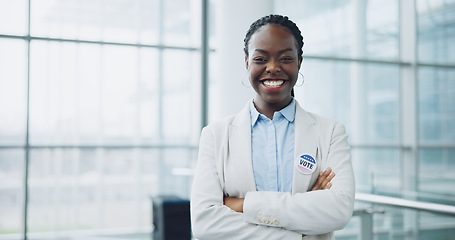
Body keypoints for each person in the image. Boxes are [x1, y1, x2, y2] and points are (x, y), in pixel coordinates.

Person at [190, 14, 355, 239]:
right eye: (260, 59)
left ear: (299, 62)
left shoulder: (330, 132)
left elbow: (338, 210)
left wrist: (243, 204)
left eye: (285, 58)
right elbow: (205, 224)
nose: (273, 68)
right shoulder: (216, 135)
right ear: (247, 63)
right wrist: (300, 227)